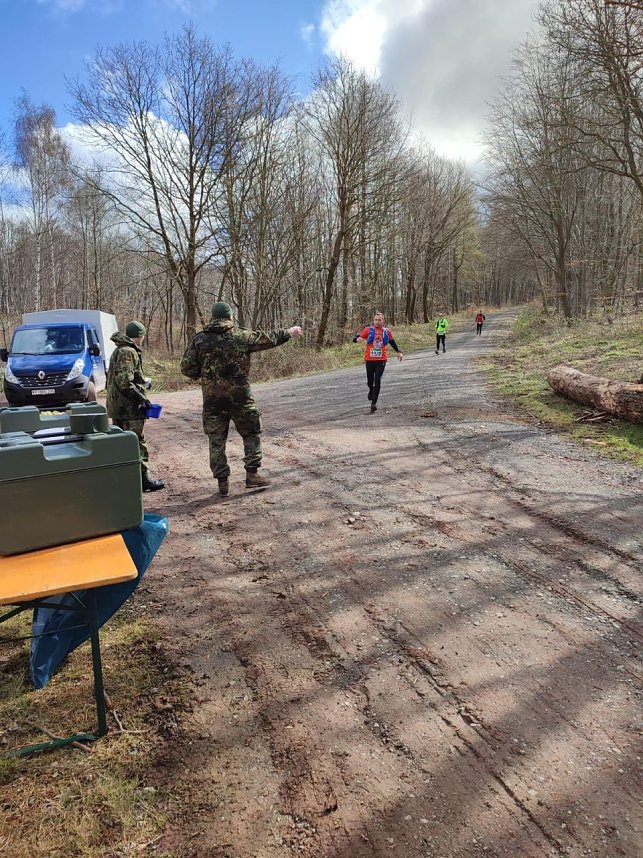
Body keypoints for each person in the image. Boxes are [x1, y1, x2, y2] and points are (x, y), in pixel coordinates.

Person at [180, 302, 303, 498]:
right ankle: (252, 475)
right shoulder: (241, 336)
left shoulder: (200, 340)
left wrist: (204, 374)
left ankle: (222, 483)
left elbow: (186, 368)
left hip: (213, 399)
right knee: (251, 432)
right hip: (240, 396)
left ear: (213, 317)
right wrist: (289, 331)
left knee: (216, 439)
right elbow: (268, 338)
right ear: (230, 317)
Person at [106, 320, 165, 492]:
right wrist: (141, 399)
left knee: (123, 443)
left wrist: (142, 382)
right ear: (140, 336)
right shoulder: (128, 351)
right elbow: (125, 382)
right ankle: (142, 480)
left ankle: (126, 480)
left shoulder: (120, 349)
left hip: (119, 406)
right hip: (129, 408)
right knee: (137, 443)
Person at [352, 311, 403, 414]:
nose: (378, 322)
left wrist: (398, 352)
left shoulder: (386, 331)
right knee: (370, 381)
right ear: (373, 321)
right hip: (370, 360)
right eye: (376, 320)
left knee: (377, 380)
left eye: (379, 320)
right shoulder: (368, 330)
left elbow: (392, 342)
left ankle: (373, 404)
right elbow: (356, 338)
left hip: (381, 359)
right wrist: (357, 339)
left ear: (383, 321)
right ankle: (371, 389)